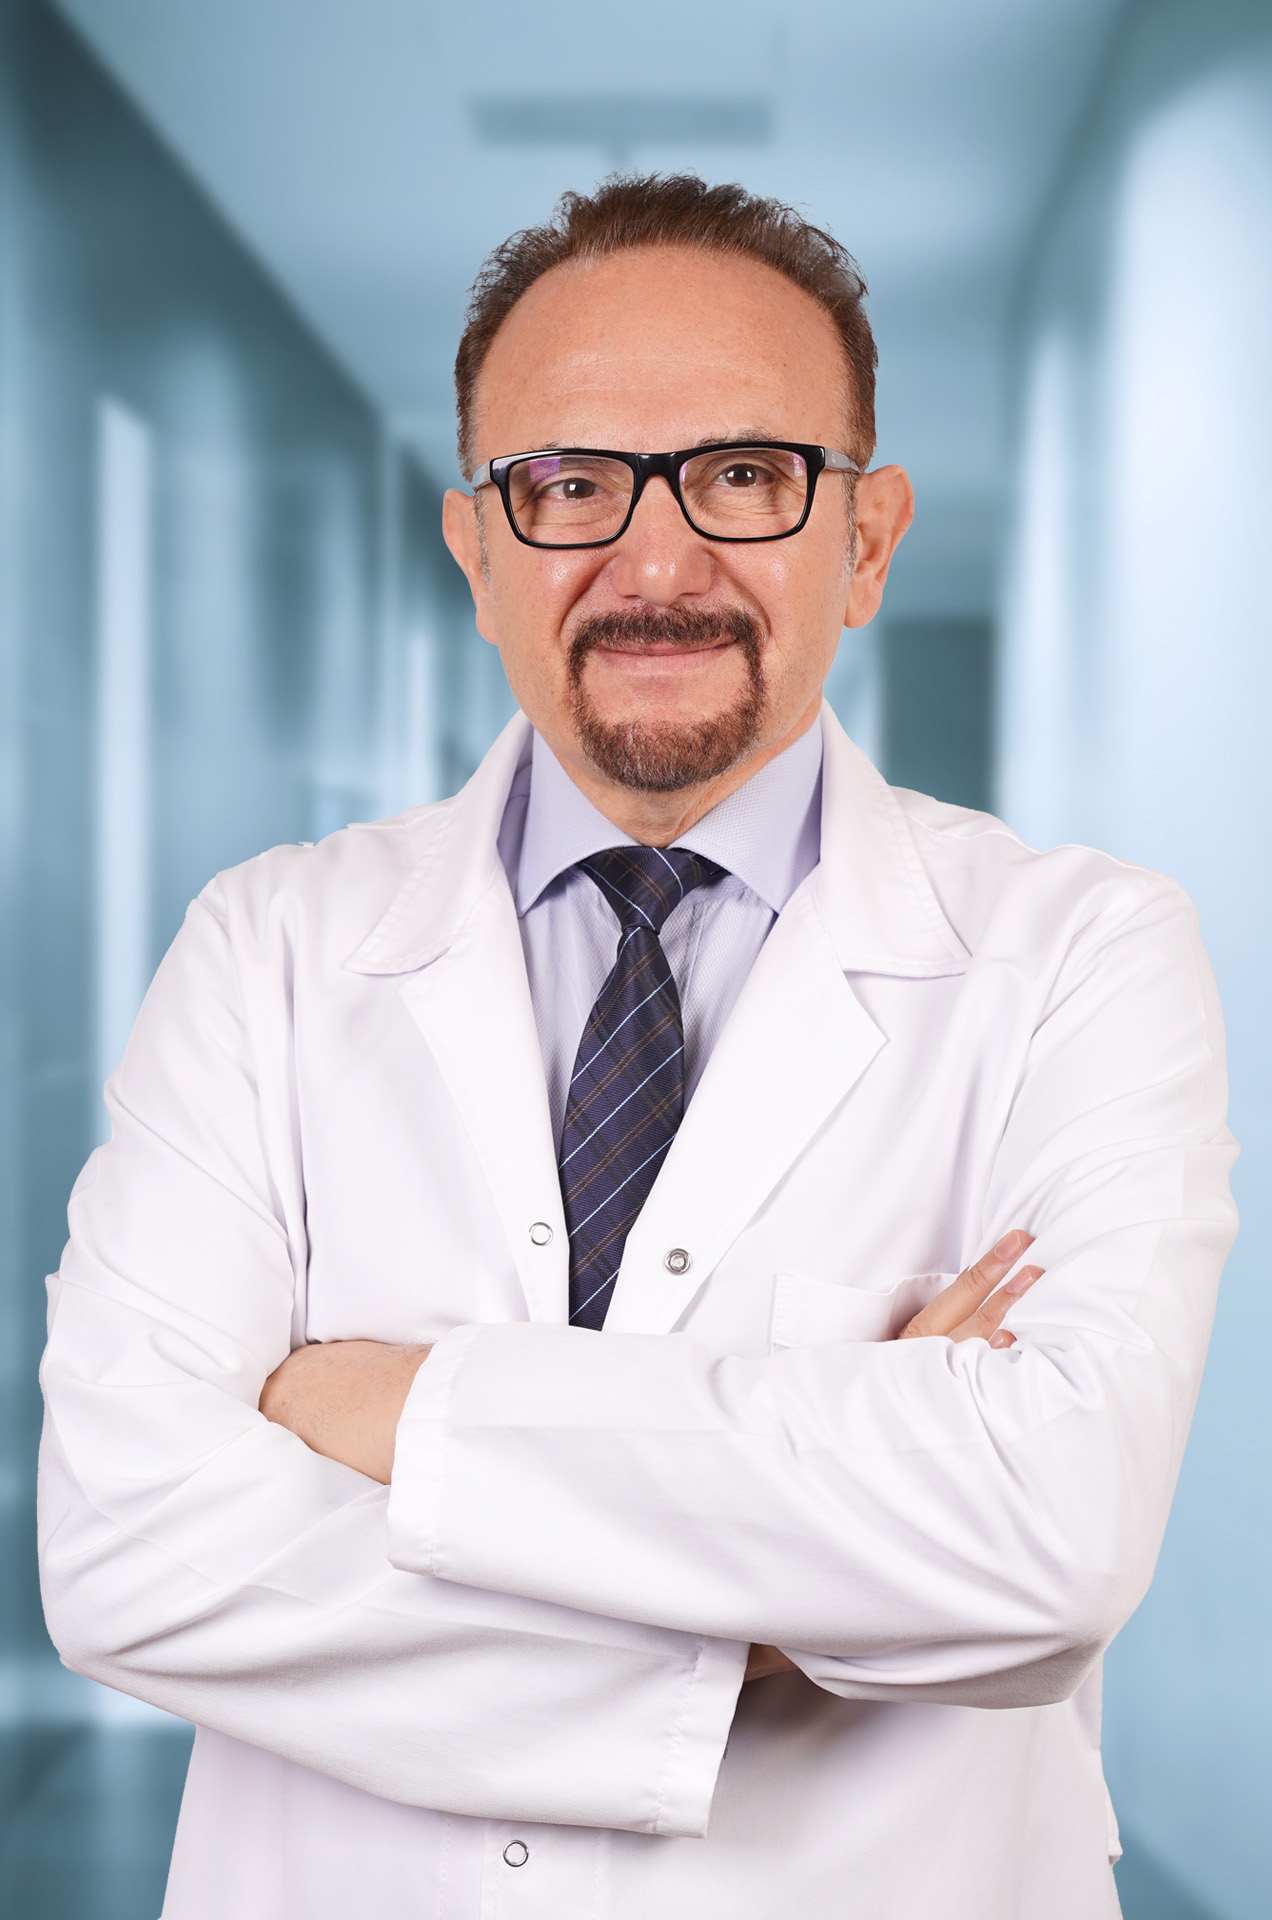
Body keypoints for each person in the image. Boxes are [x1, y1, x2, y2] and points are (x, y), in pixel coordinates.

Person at [37, 173, 1239, 1920]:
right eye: (568, 485)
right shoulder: (267, 950)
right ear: (477, 553)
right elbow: (128, 1552)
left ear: (868, 540)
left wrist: (396, 1407)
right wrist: (766, 1619)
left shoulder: (1080, 955)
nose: (658, 565)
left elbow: (1049, 1539)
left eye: (744, 476)